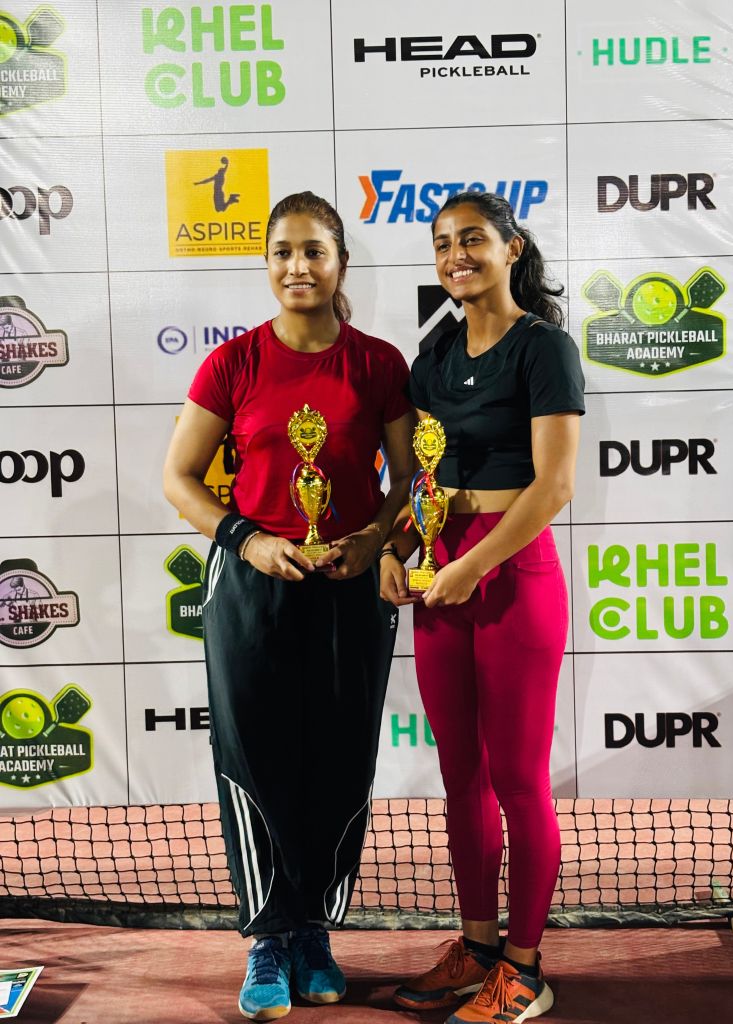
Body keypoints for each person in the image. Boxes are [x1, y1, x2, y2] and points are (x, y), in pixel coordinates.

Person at [163, 191, 413, 1022]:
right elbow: (179, 479)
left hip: (350, 586)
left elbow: (409, 482)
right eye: (282, 252)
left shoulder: (379, 364)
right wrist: (248, 540)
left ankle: (314, 930)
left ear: (340, 262)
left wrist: (373, 539)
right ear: (266, 262)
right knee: (256, 757)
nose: (297, 267)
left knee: (339, 757)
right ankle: (268, 937)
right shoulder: (232, 363)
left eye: (313, 251)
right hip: (251, 588)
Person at [380, 191, 584, 1024]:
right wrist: (397, 550)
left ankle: (525, 970)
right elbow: (421, 481)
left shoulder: (545, 348)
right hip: (444, 573)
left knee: (519, 781)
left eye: (471, 240)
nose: (455, 256)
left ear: (511, 248)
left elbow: (554, 485)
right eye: (442, 244)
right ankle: (477, 949)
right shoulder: (433, 354)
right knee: (461, 776)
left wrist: (474, 563)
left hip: (511, 571)